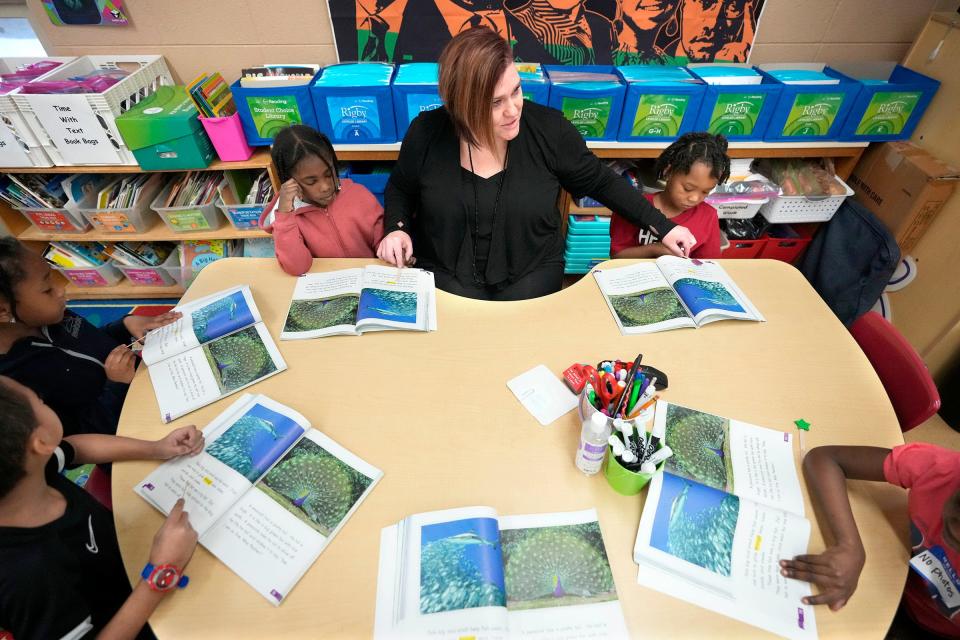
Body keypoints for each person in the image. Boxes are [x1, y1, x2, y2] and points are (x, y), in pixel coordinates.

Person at [377, 26, 696, 300]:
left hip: (532, 269)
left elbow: (601, 181)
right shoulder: (426, 133)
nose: (513, 110)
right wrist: (396, 229)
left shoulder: (549, 130)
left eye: (515, 91)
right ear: (461, 106)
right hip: (445, 269)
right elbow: (400, 188)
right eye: (495, 103)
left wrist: (664, 227)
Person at [0, 376, 203, 640]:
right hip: (138, 612)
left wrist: (157, 448)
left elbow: (77, 447)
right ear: (40, 442)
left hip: (130, 558)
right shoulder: (28, 577)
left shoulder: (29, 467)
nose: (42, 398)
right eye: (37, 399)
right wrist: (160, 572)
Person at [0, 238, 180, 437]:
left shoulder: (53, 316)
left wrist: (125, 325)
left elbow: (92, 343)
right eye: (47, 290)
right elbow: (83, 437)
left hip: (154, 386)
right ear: (2, 310)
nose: (61, 291)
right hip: (134, 434)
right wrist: (117, 385)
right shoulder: (13, 384)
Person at [781, 444, 960, 638]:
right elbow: (825, 458)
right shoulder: (943, 469)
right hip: (899, 585)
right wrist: (850, 545)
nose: (955, 531)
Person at [260, 124, 384, 276]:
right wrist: (285, 215)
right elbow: (297, 268)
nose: (325, 186)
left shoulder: (358, 194)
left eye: (328, 173)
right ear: (290, 181)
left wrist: (391, 248)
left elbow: (382, 238)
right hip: (326, 287)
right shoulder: (286, 217)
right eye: (311, 182)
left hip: (368, 278)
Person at [610, 132, 726, 260]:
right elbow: (617, 256)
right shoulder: (635, 207)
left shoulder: (708, 216)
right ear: (669, 172)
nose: (694, 198)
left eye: (705, 192)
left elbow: (708, 263)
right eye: (688, 188)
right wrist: (656, 249)